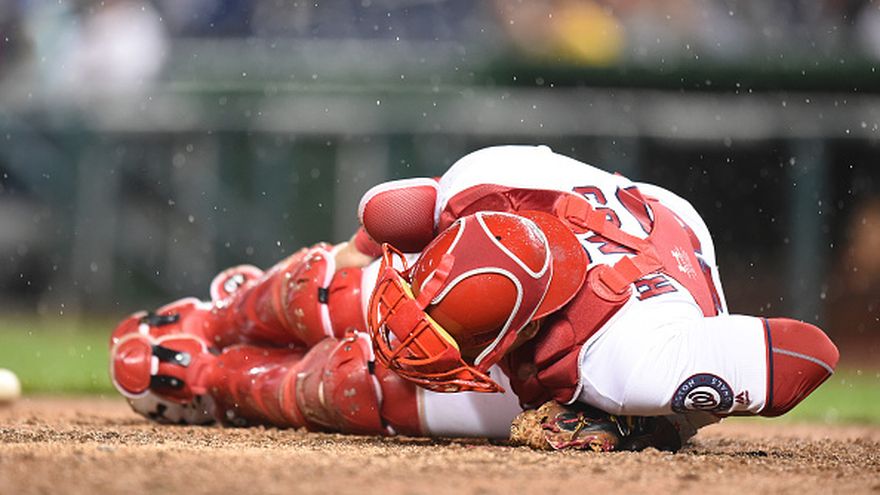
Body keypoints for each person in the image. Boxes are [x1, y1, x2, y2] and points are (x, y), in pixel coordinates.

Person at [109, 145, 839, 451]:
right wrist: (300, 284)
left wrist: (660, 421)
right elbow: (366, 238)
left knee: (360, 385)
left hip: (653, 286)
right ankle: (217, 316)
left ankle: (214, 382)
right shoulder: (484, 179)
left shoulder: (627, 360)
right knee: (338, 286)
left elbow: (812, 353)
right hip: (601, 212)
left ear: (518, 332)